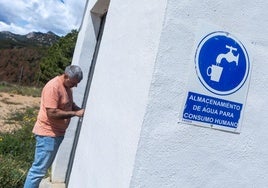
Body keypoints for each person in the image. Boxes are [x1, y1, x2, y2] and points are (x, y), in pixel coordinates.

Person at [24, 65, 85, 188]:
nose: (75, 86)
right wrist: (75, 113)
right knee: (38, 171)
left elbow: (69, 103)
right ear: (66, 76)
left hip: (55, 135)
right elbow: (52, 113)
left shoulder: (67, 87)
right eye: (74, 83)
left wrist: (78, 109)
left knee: (41, 169)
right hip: (47, 135)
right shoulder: (53, 87)